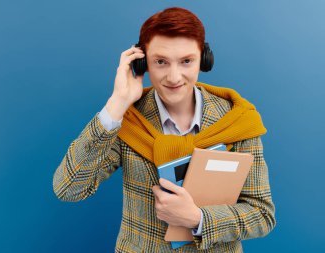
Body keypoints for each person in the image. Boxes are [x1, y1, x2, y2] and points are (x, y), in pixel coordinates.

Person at [53, 7, 276, 252]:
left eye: (186, 61)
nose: (173, 76)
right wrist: (117, 103)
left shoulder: (236, 121)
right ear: (141, 62)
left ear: (204, 59)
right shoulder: (130, 119)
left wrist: (198, 219)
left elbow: (261, 214)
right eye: (160, 62)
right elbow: (69, 188)